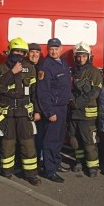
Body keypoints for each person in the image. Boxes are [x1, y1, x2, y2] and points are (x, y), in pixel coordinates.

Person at [0, 37, 42, 186]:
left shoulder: (30, 68)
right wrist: (12, 73)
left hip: (24, 112)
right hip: (7, 113)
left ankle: (31, 174)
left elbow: (34, 92)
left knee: (28, 144)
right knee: (8, 143)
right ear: (10, 51)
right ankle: (7, 171)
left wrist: (37, 111)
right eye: (16, 51)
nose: (19, 54)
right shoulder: (0, 68)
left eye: (22, 51)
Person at [37, 38, 72, 183]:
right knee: (51, 140)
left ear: (61, 49)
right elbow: (43, 92)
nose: (54, 51)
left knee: (58, 139)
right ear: (47, 49)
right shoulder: (46, 66)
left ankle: (56, 163)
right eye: (51, 48)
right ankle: (49, 170)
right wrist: (49, 112)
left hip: (63, 107)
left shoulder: (63, 63)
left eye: (56, 48)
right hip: (54, 109)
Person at [68, 41, 103, 177]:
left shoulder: (94, 72)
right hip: (73, 113)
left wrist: (76, 103)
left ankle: (92, 166)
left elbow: (94, 93)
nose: (81, 59)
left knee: (89, 142)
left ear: (89, 57)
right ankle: (79, 161)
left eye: (84, 56)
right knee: (74, 140)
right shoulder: (72, 71)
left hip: (87, 114)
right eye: (79, 56)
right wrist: (71, 100)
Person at [25, 43, 44, 162]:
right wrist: (36, 110)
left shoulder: (42, 67)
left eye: (37, 52)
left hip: (42, 107)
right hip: (30, 108)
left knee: (40, 136)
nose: (34, 54)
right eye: (32, 52)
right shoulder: (25, 67)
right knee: (30, 137)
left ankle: (39, 158)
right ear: (28, 53)